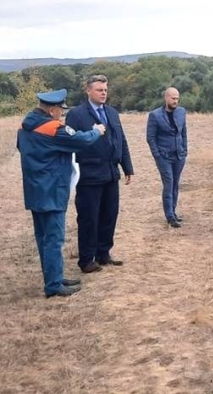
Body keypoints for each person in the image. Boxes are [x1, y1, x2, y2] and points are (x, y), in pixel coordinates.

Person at [17, 89, 106, 298]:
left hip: (34, 189)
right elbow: (81, 140)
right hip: (52, 191)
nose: (62, 114)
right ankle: (54, 285)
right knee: (54, 239)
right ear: (51, 109)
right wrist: (97, 131)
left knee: (43, 237)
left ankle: (54, 277)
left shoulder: (24, 126)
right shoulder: (52, 128)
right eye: (60, 110)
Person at [65, 75, 134, 273]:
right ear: (88, 91)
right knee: (89, 218)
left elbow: (122, 140)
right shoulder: (77, 115)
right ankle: (86, 260)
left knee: (109, 214)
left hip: (111, 174)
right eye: (99, 89)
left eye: (105, 89)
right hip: (89, 175)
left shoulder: (112, 112)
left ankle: (103, 254)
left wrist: (127, 167)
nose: (103, 93)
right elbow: (72, 144)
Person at [146, 87, 188, 228]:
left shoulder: (182, 112)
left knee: (176, 184)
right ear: (166, 98)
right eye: (173, 98)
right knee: (169, 184)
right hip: (164, 157)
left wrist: (185, 150)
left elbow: (183, 132)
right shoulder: (155, 115)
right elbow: (150, 138)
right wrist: (157, 155)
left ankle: (173, 212)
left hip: (179, 156)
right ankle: (169, 216)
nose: (175, 101)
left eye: (177, 98)